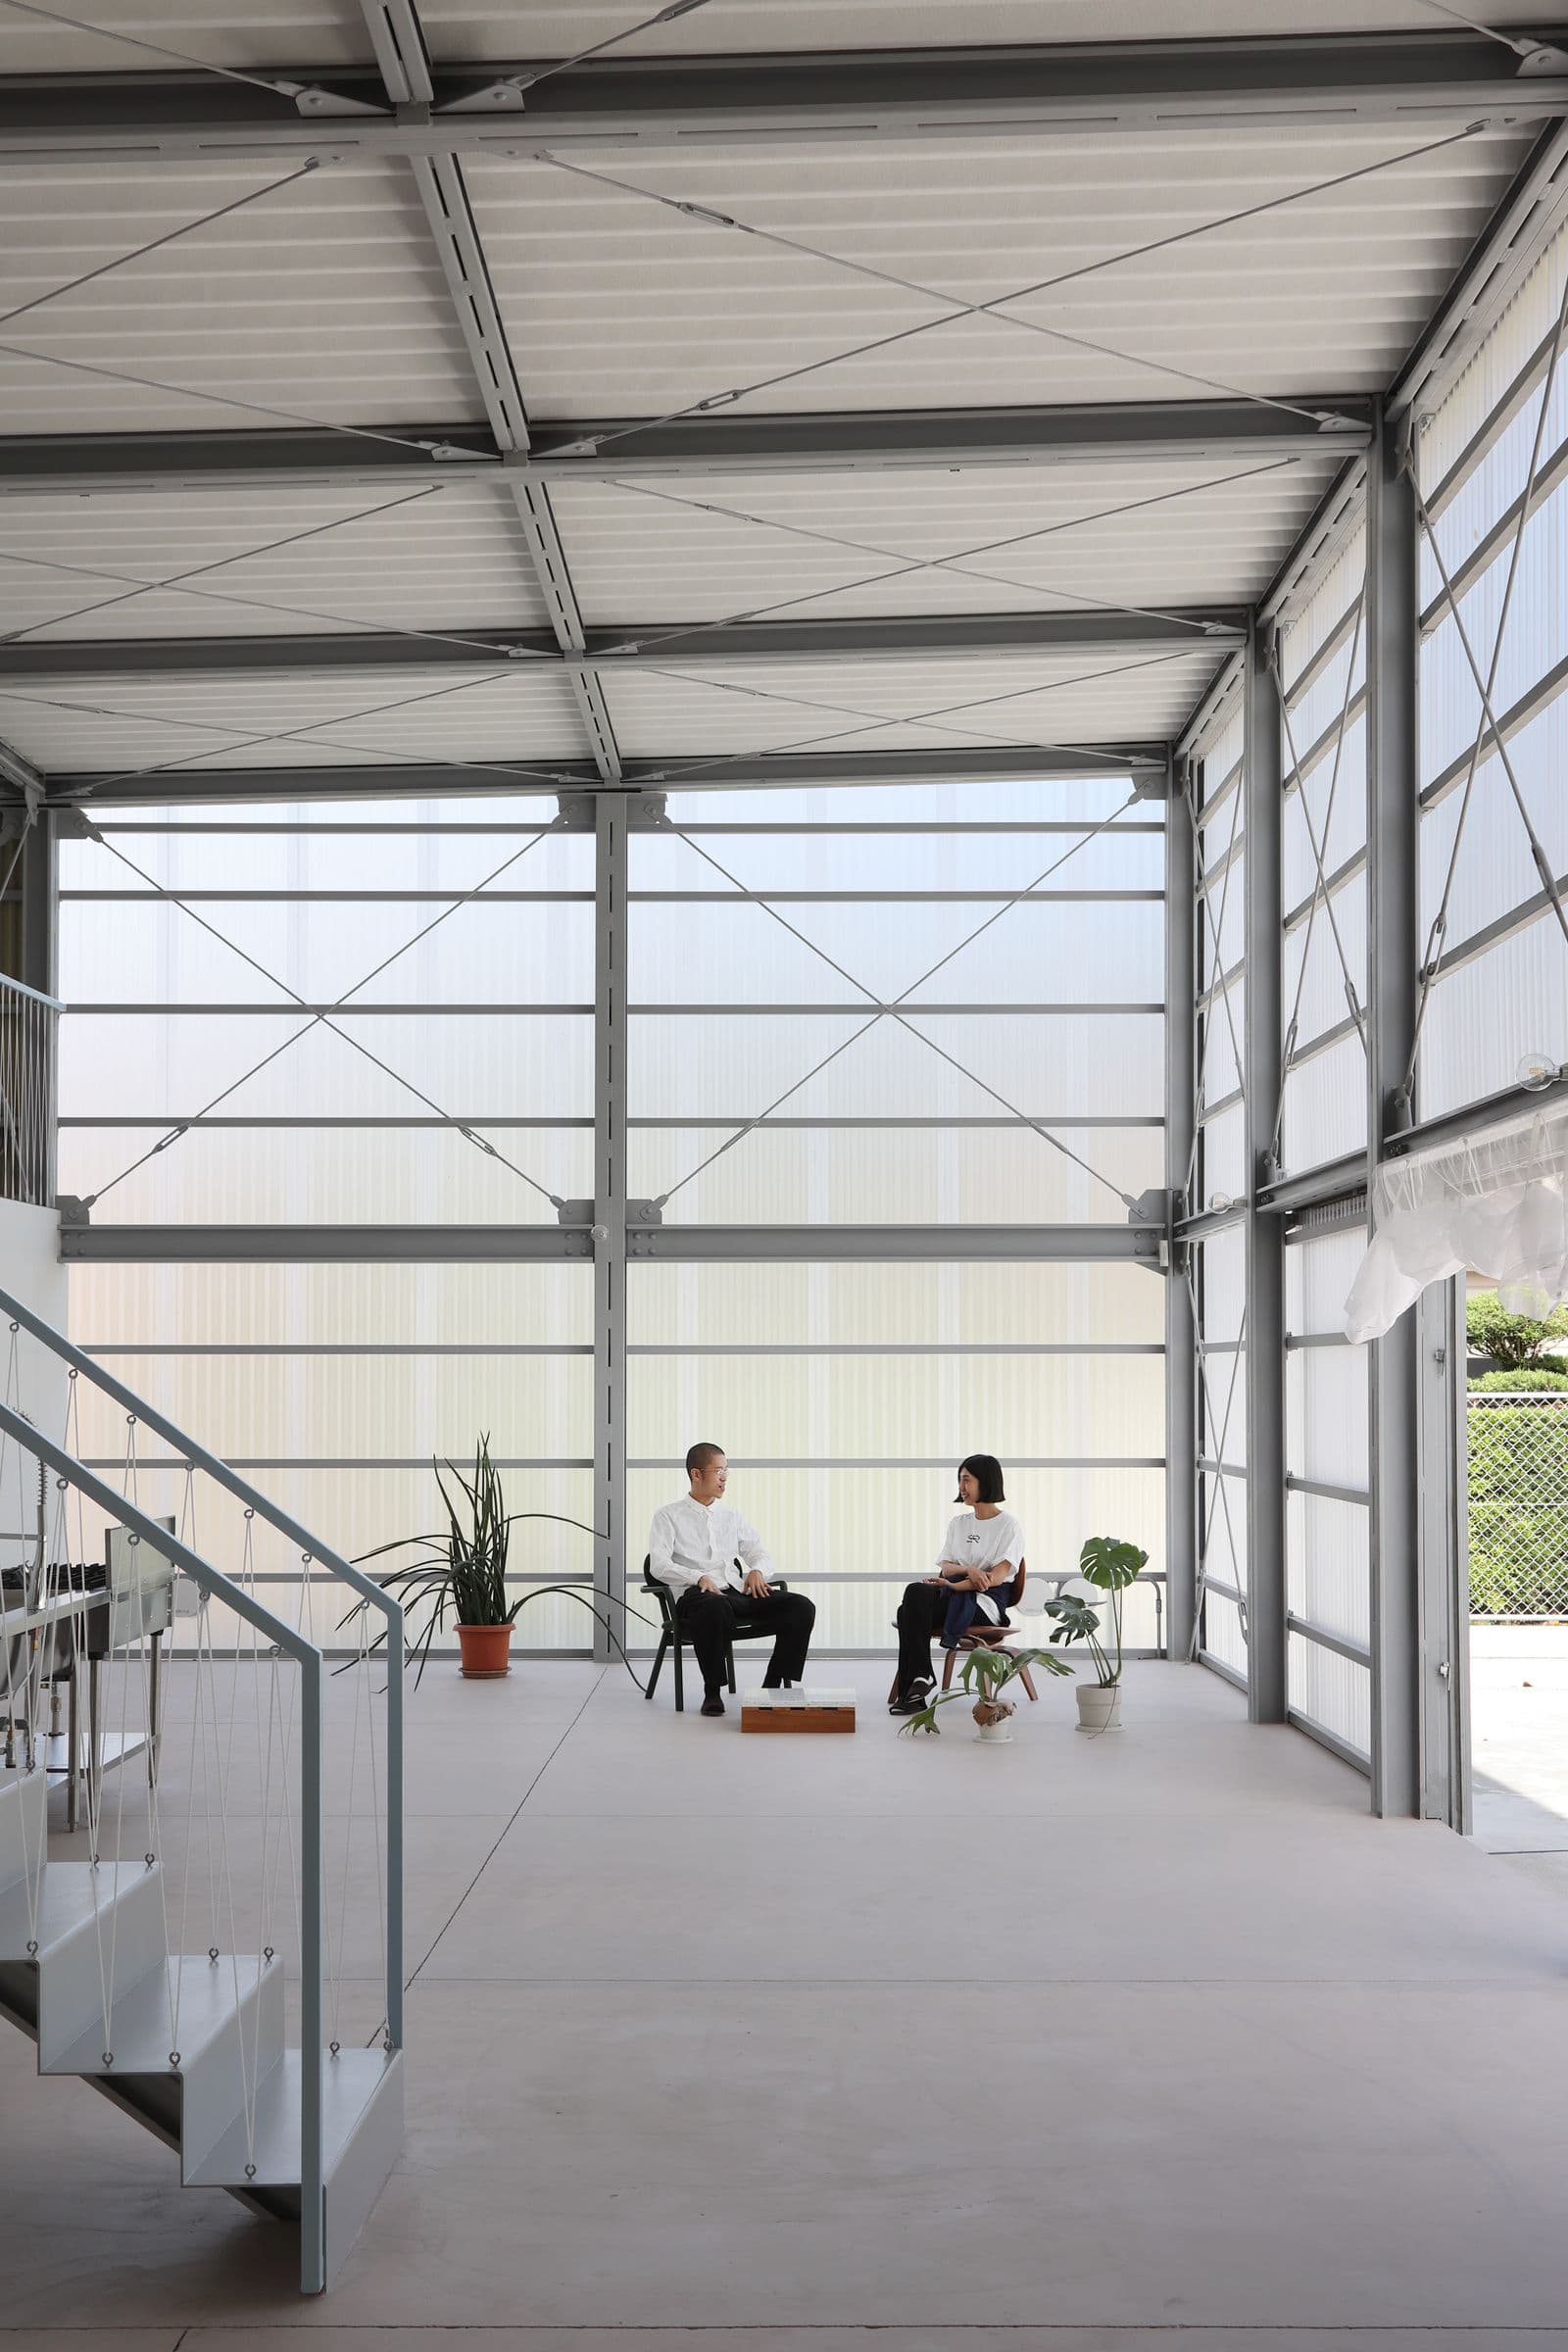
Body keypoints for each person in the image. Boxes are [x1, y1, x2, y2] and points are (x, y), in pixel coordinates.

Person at [648, 1443, 816, 1719]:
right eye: (718, 1471)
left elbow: (759, 1552)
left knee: (801, 1607)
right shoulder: (668, 1516)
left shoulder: (731, 1516)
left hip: (735, 1592)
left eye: (726, 1471)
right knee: (714, 1607)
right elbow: (658, 1565)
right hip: (696, 1597)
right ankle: (712, 1691)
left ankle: (772, 1686)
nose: (724, 1478)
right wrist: (697, 1576)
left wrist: (757, 1570)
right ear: (696, 1474)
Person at [888, 1454, 1024, 1717]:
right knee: (915, 1591)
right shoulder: (959, 1523)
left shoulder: (1009, 1525)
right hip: (952, 1593)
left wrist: (961, 1583)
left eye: (967, 1480)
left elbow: (994, 1578)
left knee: (906, 1613)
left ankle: (915, 1689)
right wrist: (968, 1570)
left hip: (984, 1602)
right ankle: (921, 1678)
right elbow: (946, 1567)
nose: (961, 1487)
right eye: (960, 1480)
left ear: (986, 1481)